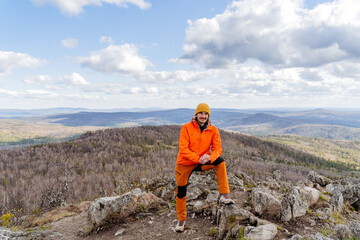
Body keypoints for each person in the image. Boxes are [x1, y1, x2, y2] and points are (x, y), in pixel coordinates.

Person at [175, 103, 234, 232]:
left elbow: (218, 148)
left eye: (206, 114)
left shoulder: (213, 130)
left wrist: (210, 157)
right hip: (185, 164)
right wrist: (198, 158)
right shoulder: (186, 128)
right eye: (201, 113)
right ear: (196, 114)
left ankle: (224, 195)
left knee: (220, 162)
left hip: (203, 162)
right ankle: (181, 219)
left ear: (208, 115)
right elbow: (183, 149)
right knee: (181, 192)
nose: (203, 116)